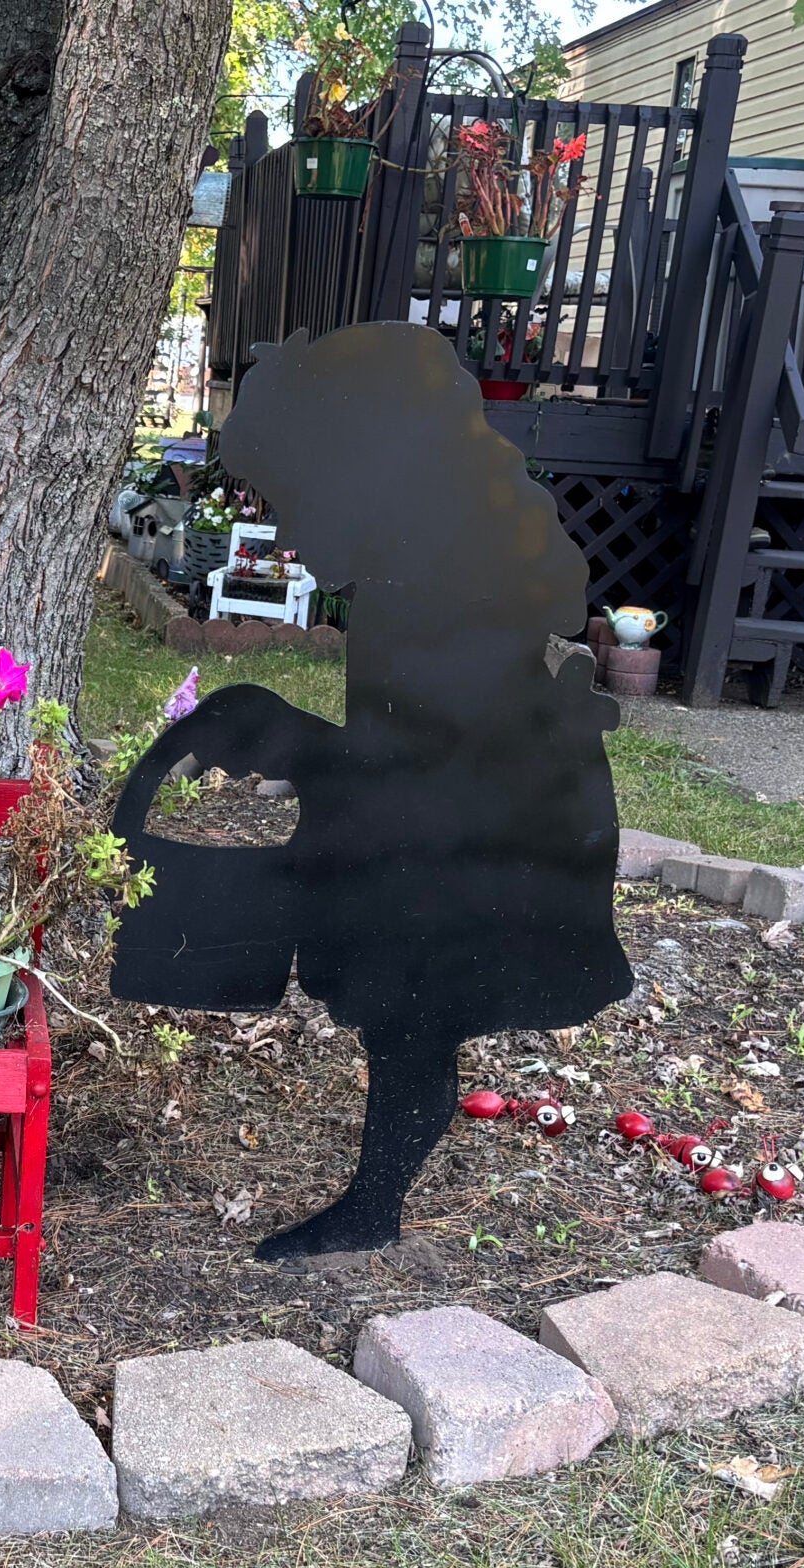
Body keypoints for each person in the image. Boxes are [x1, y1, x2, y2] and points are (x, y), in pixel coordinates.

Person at [112, 322, 632, 1260]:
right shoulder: (429, 563)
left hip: (500, 845)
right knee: (393, 970)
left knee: (406, 973)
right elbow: (397, 752)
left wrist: (275, 730)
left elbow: (421, 765)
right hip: (463, 814)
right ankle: (383, 1176)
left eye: (294, 498)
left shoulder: (444, 586)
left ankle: (379, 1190)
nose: (291, 526)